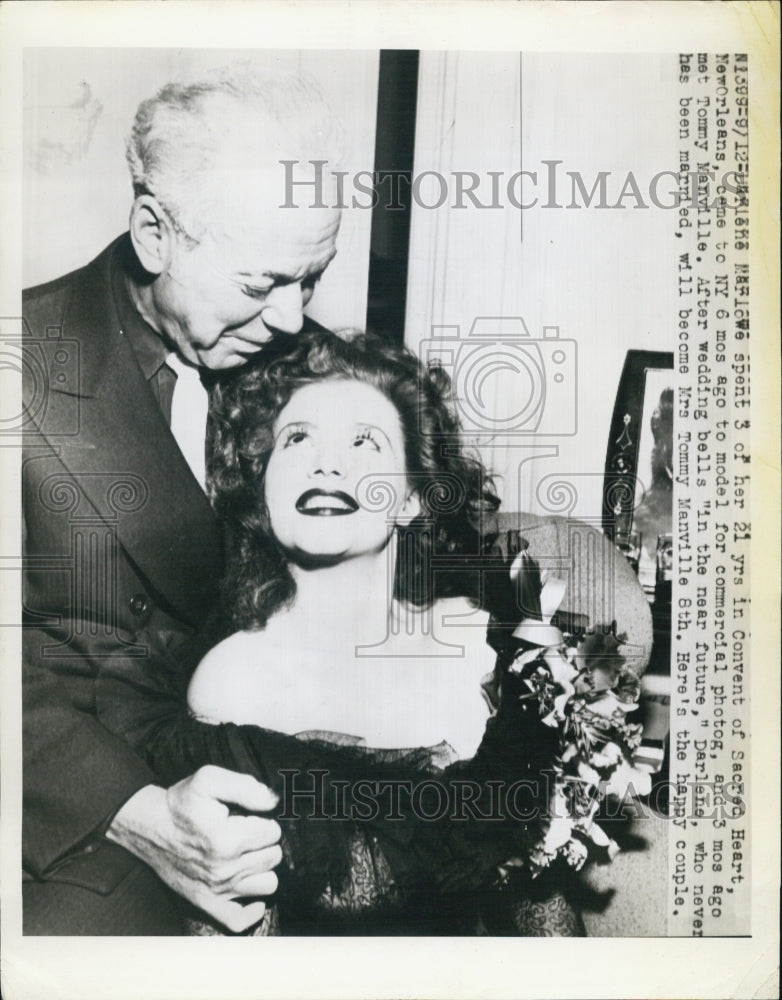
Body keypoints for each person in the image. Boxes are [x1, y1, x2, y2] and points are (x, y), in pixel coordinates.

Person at [22, 66, 345, 934]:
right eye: (261, 283)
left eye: (311, 279)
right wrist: (138, 813)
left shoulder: (309, 363)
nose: (291, 318)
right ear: (154, 232)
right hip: (80, 794)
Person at [182, 330, 586, 935]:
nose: (326, 461)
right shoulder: (231, 682)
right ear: (265, 493)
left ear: (413, 498)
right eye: (297, 439)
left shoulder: (489, 648)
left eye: (363, 441)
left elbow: (541, 909)